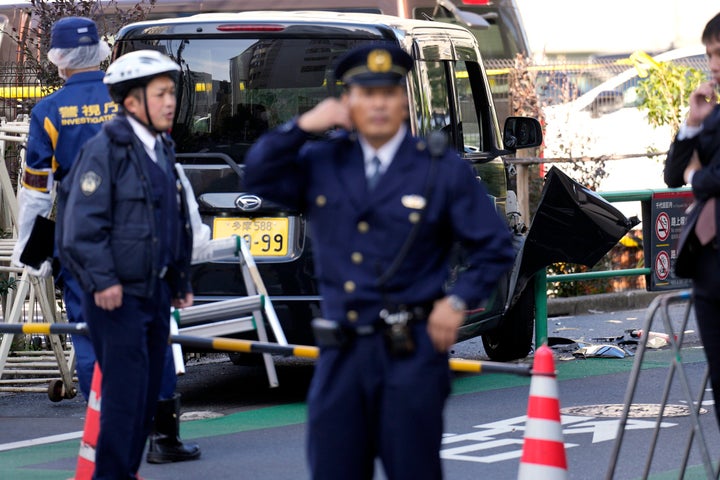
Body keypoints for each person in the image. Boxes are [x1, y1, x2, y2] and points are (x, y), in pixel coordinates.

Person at [245, 43, 515, 479]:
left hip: (410, 355)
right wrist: (303, 125)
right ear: (348, 100)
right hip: (341, 355)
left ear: (405, 100)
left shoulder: (437, 168)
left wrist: (458, 300)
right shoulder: (322, 161)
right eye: (366, 94)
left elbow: (496, 246)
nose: (378, 105)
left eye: (388, 93)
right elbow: (257, 175)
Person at [10, 17, 200, 466]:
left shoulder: (49, 111)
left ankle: (104, 435)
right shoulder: (134, 102)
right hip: (147, 245)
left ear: (56, 60)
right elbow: (172, 185)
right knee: (157, 336)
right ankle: (164, 435)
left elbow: (37, 191)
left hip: (87, 245)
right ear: (100, 49)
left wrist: (28, 252)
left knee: (95, 337)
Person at [58, 49, 195, 479]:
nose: (170, 102)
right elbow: (81, 226)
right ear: (131, 101)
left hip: (153, 292)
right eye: (160, 93)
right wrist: (102, 281)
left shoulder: (161, 148)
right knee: (124, 400)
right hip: (117, 298)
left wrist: (178, 277)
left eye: (172, 92)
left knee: (147, 397)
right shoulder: (106, 151)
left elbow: (171, 224)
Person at [664, 12, 720, 426]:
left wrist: (696, 178)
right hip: (709, 265)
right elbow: (672, 174)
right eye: (709, 55)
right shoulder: (713, 117)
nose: (714, 65)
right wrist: (690, 124)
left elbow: (706, 179)